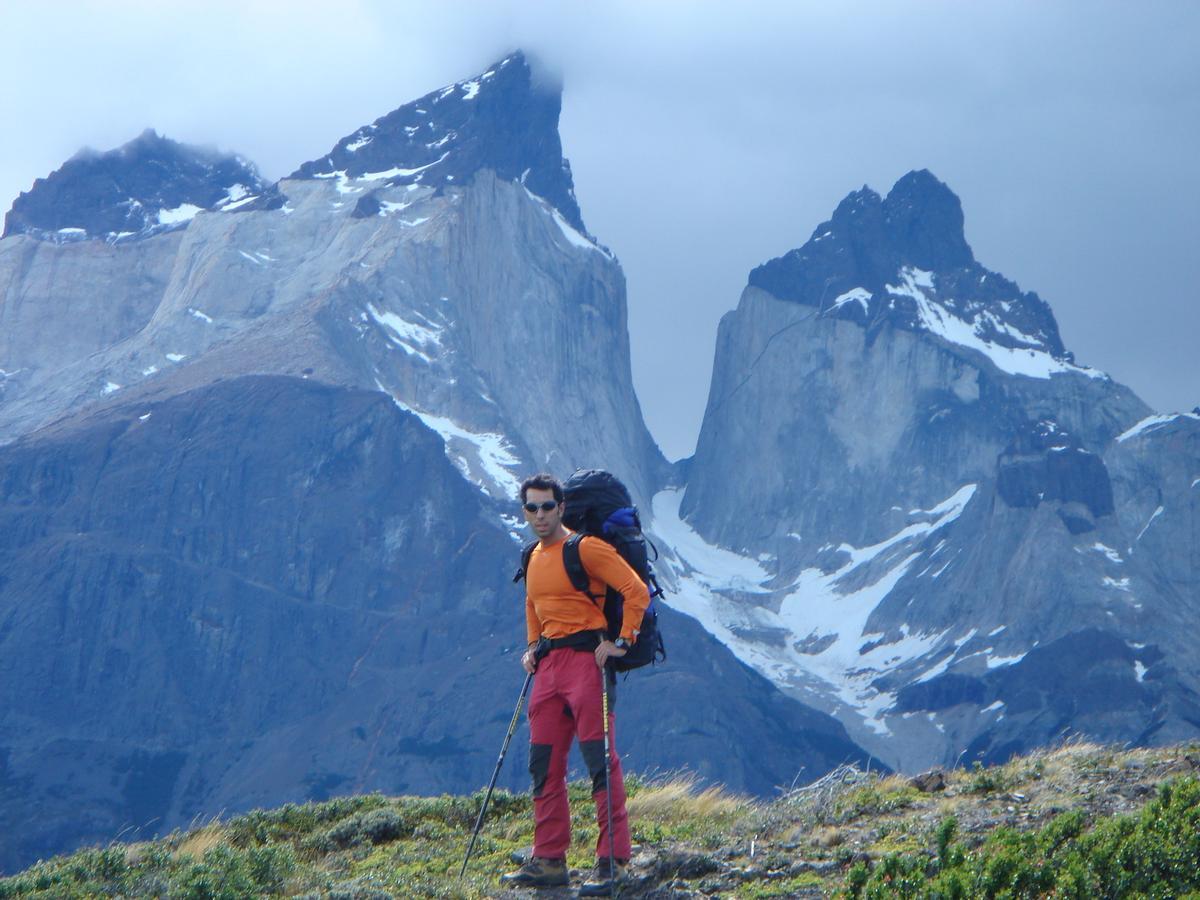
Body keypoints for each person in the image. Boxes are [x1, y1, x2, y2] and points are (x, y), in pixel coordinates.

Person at [500, 473, 650, 894]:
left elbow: (636, 591)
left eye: (548, 506)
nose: (540, 514)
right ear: (525, 511)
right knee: (543, 764)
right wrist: (533, 647)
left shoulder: (586, 549)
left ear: (561, 508)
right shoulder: (532, 556)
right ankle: (549, 860)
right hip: (548, 669)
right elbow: (533, 604)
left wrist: (622, 642)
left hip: (587, 663)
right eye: (532, 507)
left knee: (600, 762)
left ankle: (614, 863)